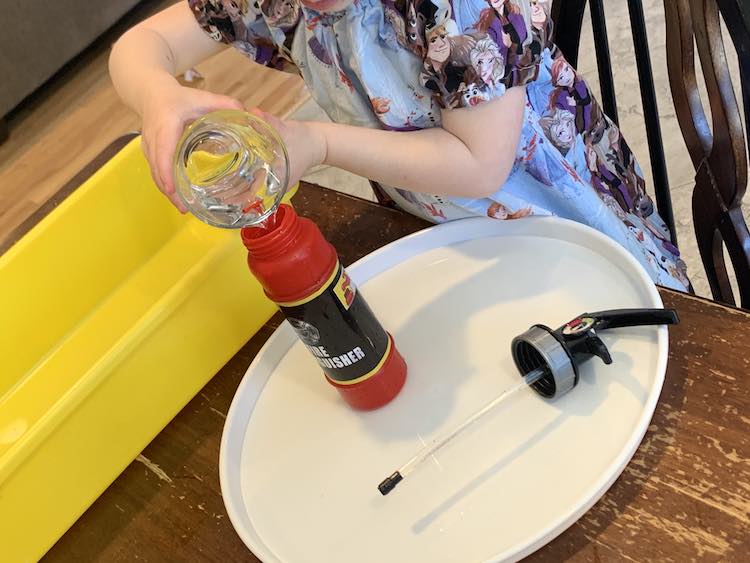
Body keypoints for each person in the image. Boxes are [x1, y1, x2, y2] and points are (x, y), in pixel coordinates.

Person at [109, 0, 689, 290]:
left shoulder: (455, 8)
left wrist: (315, 142)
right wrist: (158, 94)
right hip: (440, 233)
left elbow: (482, 164)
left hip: (564, 223)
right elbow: (144, 42)